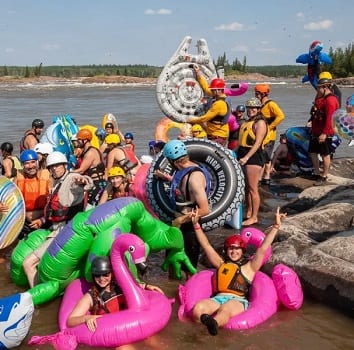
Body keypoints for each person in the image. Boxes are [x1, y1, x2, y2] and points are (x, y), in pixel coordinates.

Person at [189, 206, 286, 336]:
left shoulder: (249, 267)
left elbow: (263, 249)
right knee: (198, 308)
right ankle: (200, 334)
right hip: (218, 298)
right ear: (226, 251)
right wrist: (196, 224)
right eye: (231, 249)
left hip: (237, 301)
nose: (234, 251)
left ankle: (213, 325)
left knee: (226, 309)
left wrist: (275, 227)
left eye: (237, 249)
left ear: (242, 251)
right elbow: (206, 245)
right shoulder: (221, 264)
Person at [23, 151, 93, 288]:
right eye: (52, 167)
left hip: (63, 231)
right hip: (55, 227)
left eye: (58, 166)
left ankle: (37, 299)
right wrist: (42, 220)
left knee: (28, 263)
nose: (55, 169)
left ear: (64, 165)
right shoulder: (57, 183)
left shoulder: (71, 178)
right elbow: (55, 209)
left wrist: (84, 181)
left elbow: (81, 183)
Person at [67, 256, 164, 332]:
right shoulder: (91, 296)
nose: (101, 278)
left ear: (111, 273)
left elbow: (136, 288)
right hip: (111, 332)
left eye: (105, 274)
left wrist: (147, 286)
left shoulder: (120, 285)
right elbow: (70, 321)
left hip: (131, 324)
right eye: (97, 275)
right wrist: (86, 318)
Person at [154, 140, 210, 271]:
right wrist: (165, 177)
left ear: (172, 161)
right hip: (178, 225)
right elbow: (181, 182)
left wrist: (181, 220)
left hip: (189, 226)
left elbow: (205, 209)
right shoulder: (184, 169)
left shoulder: (195, 178)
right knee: (173, 264)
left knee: (188, 268)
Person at [236, 98, 267, 226]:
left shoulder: (260, 123)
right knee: (247, 188)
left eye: (254, 108)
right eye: (248, 107)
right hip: (243, 154)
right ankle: (249, 212)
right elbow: (241, 142)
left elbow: (258, 143)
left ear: (259, 109)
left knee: (253, 188)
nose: (250, 110)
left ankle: (254, 217)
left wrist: (247, 157)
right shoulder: (247, 122)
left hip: (253, 157)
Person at [186, 64, 231, 146]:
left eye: (213, 90)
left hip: (218, 136)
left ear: (218, 90)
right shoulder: (219, 96)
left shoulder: (219, 104)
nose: (212, 92)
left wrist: (191, 120)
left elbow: (205, 118)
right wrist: (198, 73)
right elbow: (206, 89)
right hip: (215, 135)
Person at [308, 72, 339, 185]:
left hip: (325, 132)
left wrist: (325, 133)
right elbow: (316, 109)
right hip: (316, 130)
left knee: (325, 154)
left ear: (325, 87)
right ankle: (316, 172)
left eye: (319, 88)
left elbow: (330, 118)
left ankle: (324, 175)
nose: (317, 90)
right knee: (312, 152)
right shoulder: (321, 98)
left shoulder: (330, 100)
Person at [14, 150, 52, 239]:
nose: (31, 166)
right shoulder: (18, 178)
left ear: (38, 162)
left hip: (43, 220)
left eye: (33, 162)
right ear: (22, 165)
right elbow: (8, 196)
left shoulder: (48, 176)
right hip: (24, 221)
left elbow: (55, 199)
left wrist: (43, 219)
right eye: (27, 163)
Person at [254, 84, 285, 185]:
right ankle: (265, 177)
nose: (255, 95)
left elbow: (281, 116)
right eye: (255, 93)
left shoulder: (271, 104)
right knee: (264, 156)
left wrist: (270, 127)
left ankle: (264, 177)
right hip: (262, 136)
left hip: (269, 136)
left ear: (263, 94)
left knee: (264, 157)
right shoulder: (260, 105)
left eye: (257, 93)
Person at [71, 128, 107, 207]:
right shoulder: (88, 151)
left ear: (86, 140)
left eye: (79, 140)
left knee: (91, 208)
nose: (77, 141)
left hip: (97, 185)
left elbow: (81, 170)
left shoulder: (90, 153)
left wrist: (68, 173)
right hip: (94, 184)